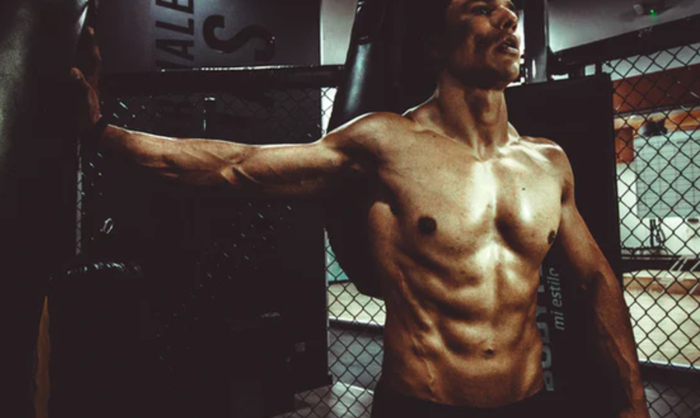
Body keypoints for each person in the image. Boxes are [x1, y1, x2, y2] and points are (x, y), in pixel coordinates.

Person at [70, 1, 650, 417]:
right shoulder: (384, 143)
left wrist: (632, 402)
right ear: (435, 44)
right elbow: (238, 165)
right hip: (421, 404)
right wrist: (101, 131)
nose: (507, 17)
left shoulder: (549, 163)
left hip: (528, 403)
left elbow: (597, 281)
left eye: (510, 8)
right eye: (480, 7)